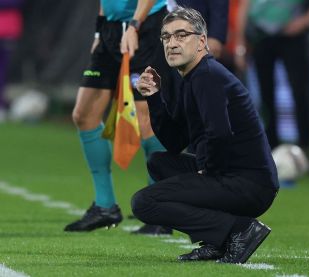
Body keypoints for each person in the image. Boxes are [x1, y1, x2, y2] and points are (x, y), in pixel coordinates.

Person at [132, 7, 279, 263]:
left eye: (181, 35)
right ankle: (216, 240)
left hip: (248, 184)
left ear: (201, 42)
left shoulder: (207, 76)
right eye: (166, 37)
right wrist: (154, 98)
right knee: (159, 163)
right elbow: (175, 142)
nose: (172, 43)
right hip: (235, 175)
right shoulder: (191, 77)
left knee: (144, 203)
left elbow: (220, 133)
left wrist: (208, 171)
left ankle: (239, 230)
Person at [64, 0, 170, 232]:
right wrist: (98, 30)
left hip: (145, 28)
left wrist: (134, 25)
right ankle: (105, 207)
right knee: (84, 115)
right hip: (111, 30)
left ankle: (159, 213)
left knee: (147, 121)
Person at [234, 0, 309, 157]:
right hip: (261, 34)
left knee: (300, 93)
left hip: (294, 35)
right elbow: (244, 4)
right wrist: (239, 42)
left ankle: (304, 149)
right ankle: (270, 149)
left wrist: (305, 20)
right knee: (265, 94)